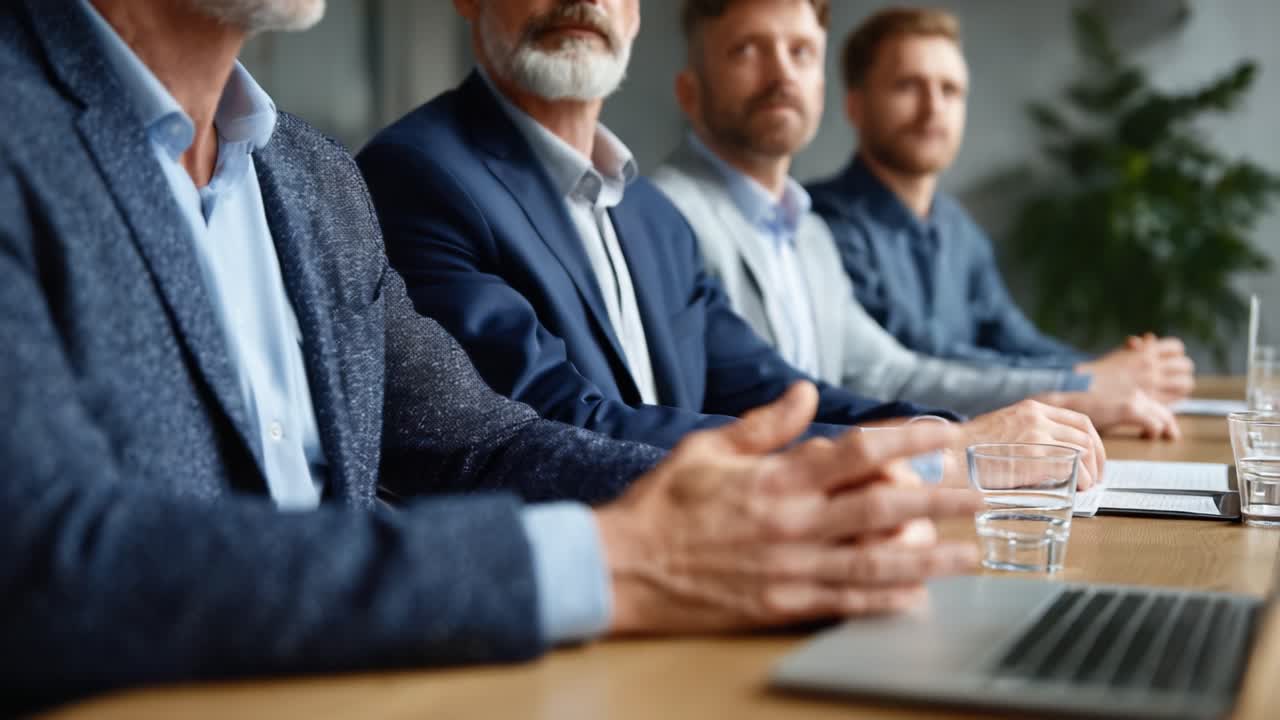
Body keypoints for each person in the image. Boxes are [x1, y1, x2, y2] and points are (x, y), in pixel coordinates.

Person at [0, 0, 984, 706]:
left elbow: (478, 441)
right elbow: (45, 566)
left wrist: (771, 508)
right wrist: (611, 563)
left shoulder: (309, 176)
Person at [357, 0, 1108, 486]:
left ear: (637, 14)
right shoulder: (420, 175)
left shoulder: (650, 213)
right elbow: (560, 427)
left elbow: (769, 390)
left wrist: (935, 431)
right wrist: (929, 460)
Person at [650, 0, 1179, 440]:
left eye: (802, 52)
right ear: (688, 92)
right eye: (746, 49)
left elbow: (889, 371)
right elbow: (734, 408)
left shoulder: (805, 230)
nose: (783, 73)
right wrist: (1055, 400)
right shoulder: (664, 216)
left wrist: (1071, 394)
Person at [807, 6, 1196, 405]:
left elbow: (1014, 338)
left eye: (950, 90)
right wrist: (1083, 379)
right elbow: (918, 362)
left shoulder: (958, 228)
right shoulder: (820, 224)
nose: (934, 108)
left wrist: (1120, 371)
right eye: (908, 86)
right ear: (855, 105)